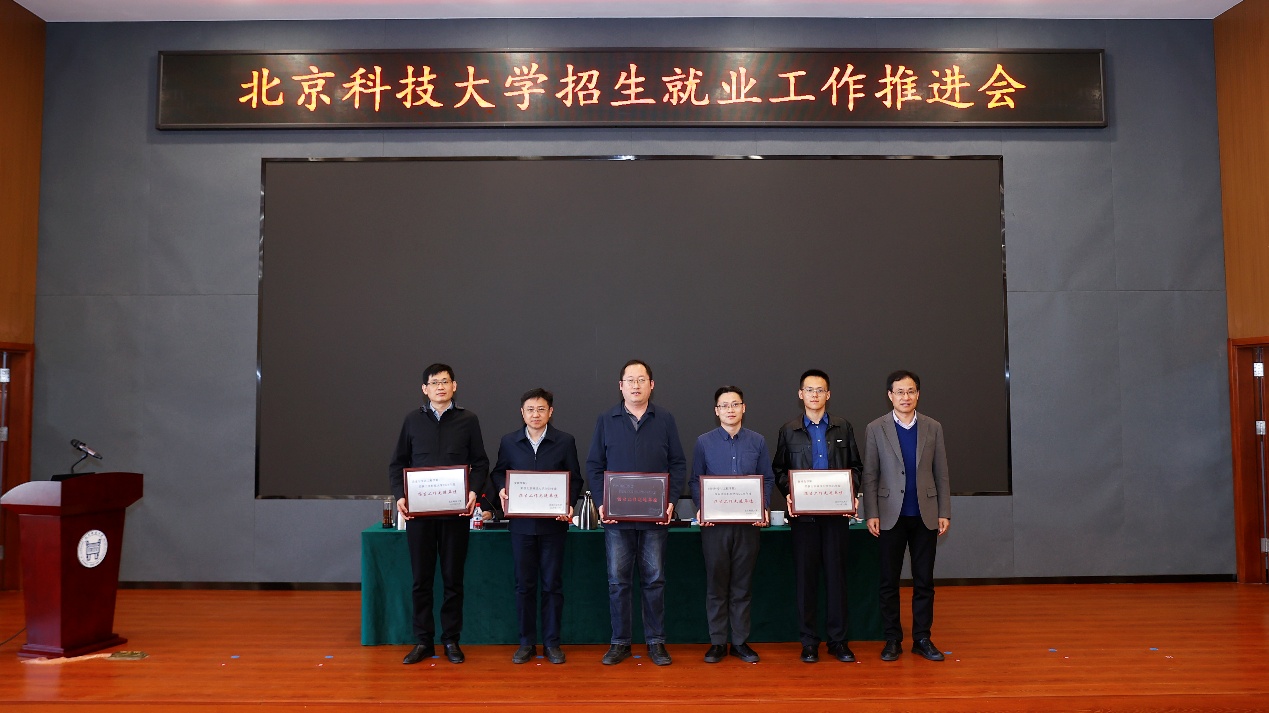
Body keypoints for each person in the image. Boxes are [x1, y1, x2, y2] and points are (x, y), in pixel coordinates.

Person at [585, 359, 687, 667]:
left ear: (651, 385)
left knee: (654, 580)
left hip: (654, 517)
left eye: (641, 379)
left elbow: (678, 463)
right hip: (617, 519)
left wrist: (670, 501)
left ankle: (656, 642)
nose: (635, 385)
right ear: (621, 386)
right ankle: (620, 642)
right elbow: (594, 465)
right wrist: (602, 503)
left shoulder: (665, 419)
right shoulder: (606, 419)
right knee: (618, 581)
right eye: (630, 380)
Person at [389, 363, 489, 666]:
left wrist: (473, 491)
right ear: (425, 389)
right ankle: (423, 640)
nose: (440, 387)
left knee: (452, 579)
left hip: (455, 515)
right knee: (421, 580)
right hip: (420, 516)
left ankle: (451, 640)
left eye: (445, 382)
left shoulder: (468, 420)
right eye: (434, 383)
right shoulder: (412, 420)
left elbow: (480, 462)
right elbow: (398, 464)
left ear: (454, 386)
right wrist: (401, 496)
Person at [772, 368, 863, 664]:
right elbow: (779, 470)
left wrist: (850, 491)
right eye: (809, 390)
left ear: (828, 394)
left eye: (820, 390)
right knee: (806, 580)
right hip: (804, 519)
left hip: (836, 517)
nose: (814, 394)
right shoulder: (789, 430)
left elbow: (856, 467)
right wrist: (789, 492)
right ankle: (809, 642)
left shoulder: (842, 427)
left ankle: (838, 641)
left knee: (837, 579)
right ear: (801, 394)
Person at [489, 388, 583, 665]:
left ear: (550, 412)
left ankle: (552, 643)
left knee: (552, 585)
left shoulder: (565, 441)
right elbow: (498, 472)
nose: (535, 414)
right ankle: (526, 643)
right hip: (521, 527)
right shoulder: (509, 441)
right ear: (522, 413)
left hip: (553, 527)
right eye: (530, 409)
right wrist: (502, 489)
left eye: (541, 409)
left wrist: (569, 504)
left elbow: (575, 479)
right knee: (524, 586)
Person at [862, 370, 951, 662]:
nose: (905, 397)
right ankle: (892, 639)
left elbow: (941, 473)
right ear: (890, 395)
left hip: (925, 514)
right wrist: (871, 512)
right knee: (888, 582)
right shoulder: (875, 428)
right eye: (899, 392)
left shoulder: (933, 427)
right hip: (889, 516)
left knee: (924, 581)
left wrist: (944, 511)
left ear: (918, 394)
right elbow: (870, 474)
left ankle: (922, 638)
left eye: (911, 391)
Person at [688, 386, 775, 664]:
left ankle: (739, 641)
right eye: (724, 405)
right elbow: (695, 480)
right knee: (716, 585)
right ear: (716, 411)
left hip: (748, 526)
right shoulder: (704, 442)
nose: (730, 409)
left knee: (741, 585)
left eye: (735, 404)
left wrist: (763, 506)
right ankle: (717, 642)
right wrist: (702, 507)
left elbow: (767, 478)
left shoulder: (757, 441)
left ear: (743, 408)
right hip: (715, 527)